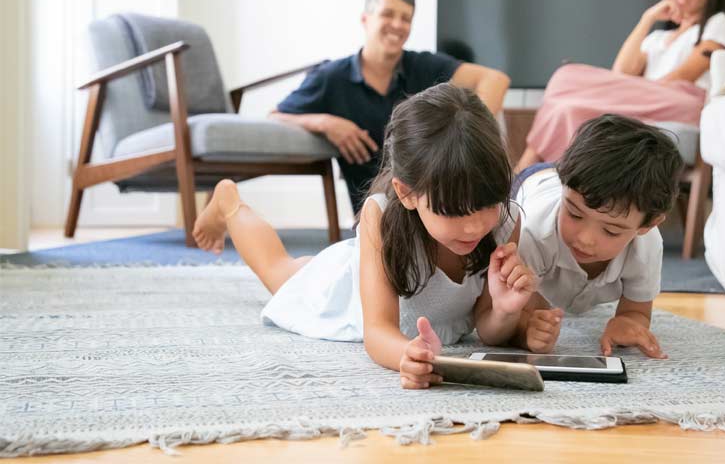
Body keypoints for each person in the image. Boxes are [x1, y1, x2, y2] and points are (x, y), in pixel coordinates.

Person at [193, 83, 537, 389]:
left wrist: (506, 312)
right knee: (279, 270)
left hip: (376, 269)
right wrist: (407, 353)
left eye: (488, 203)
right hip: (346, 289)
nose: (476, 226)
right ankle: (228, 202)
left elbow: (486, 327)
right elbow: (377, 333)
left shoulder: (505, 222)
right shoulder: (382, 214)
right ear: (407, 194)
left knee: (293, 266)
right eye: (454, 211)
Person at [270, 0, 510, 213]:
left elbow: (496, 80)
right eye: (388, 14)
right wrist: (325, 123)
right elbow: (275, 117)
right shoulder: (330, 78)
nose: (397, 24)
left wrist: (468, 133)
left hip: (433, 206)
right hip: (373, 212)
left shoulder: (423, 66)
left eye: (406, 18)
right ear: (365, 19)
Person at [515, 0, 725, 172]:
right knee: (566, 109)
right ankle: (533, 180)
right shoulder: (657, 38)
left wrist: (637, 89)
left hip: (682, 101)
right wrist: (647, 19)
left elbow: (684, 76)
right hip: (643, 100)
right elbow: (621, 72)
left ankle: (519, 176)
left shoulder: (718, 23)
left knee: (567, 75)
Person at [514, 114, 684, 358]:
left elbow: (637, 311)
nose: (585, 238)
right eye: (573, 214)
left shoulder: (646, 246)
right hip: (534, 183)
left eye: (611, 230)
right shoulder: (533, 230)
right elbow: (519, 309)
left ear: (647, 225)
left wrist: (627, 321)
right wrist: (527, 326)